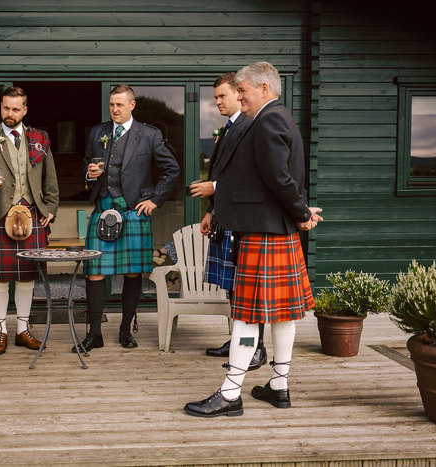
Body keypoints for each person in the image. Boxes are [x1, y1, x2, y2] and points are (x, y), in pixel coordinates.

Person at [184, 62, 323, 418]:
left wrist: (302, 214)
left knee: (246, 315)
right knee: (282, 315)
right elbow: (264, 178)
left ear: (264, 88)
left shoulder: (268, 120)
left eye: (243, 90)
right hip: (273, 230)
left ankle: (231, 393)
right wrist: (300, 212)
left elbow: (279, 178)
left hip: (265, 231)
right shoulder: (273, 118)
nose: (239, 95)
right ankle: (279, 384)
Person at [78, 84, 180, 351]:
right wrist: (89, 173)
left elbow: (172, 169)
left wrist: (155, 200)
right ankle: (95, 334)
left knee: (133, 273)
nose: (115, 109)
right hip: (103, 209)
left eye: (120, 105)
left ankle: (126, 330)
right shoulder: (98, 132)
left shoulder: (149, 135)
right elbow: (87, 163)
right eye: (112, 104)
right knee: (95, 273)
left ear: (132, 105)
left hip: (133, 211)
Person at [0, 86, 59, 355]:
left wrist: (51, 206)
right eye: (6, 108)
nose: (10, 113)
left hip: (32, 216)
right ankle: (0, 331)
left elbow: (50, 178)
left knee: (26, 277)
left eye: (16, 109)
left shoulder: (39, 139)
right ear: (1, 107)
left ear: (25, 110)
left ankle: (22, 330)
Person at [189, 73, 267, 369]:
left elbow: (249, 178)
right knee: (234, 287)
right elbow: (222, 172)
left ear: (238, 93)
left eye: (222, 96)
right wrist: (212, 210)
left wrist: (215, 189)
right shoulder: (231, 127)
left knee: (247, 288)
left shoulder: (250, 126)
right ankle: (239, 339)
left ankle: (256, 348)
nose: (217, 102)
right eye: (216, 97)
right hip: (226, 216)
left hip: (244, 220)